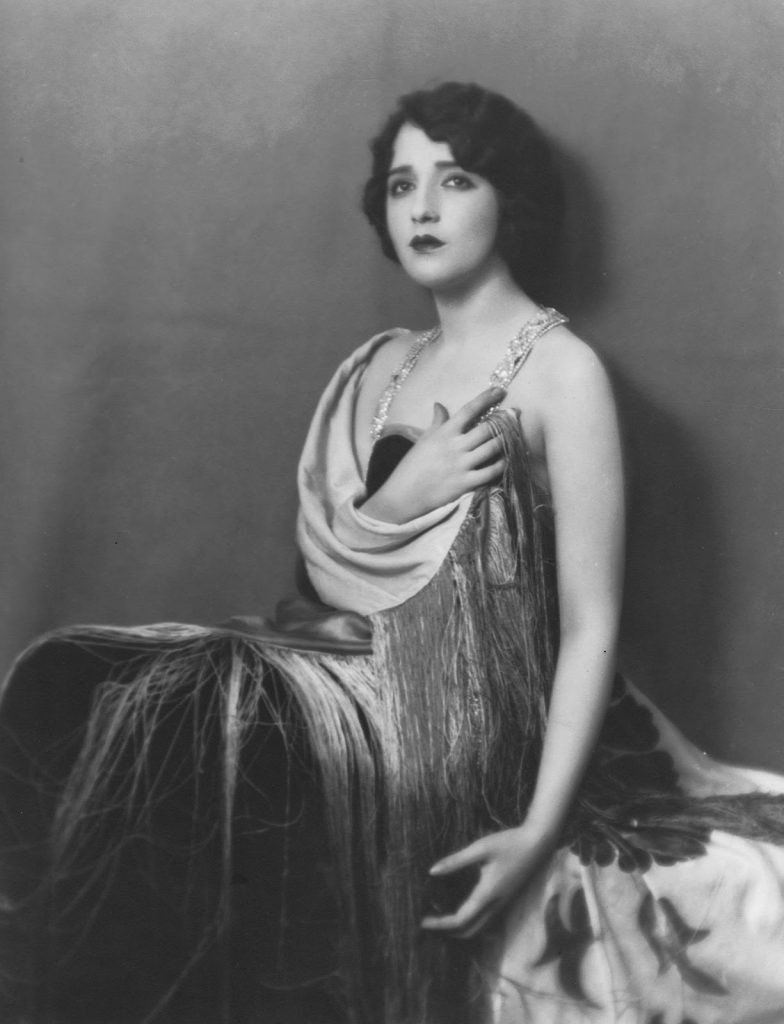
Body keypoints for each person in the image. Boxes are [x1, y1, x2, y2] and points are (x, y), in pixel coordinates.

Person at [3, 80, 784, 1024]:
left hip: (461, 709)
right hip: (330, 657)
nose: (422, 207)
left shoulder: (562, 372)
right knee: (75, 682)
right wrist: (405, 494)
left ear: (509, 199)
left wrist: (538, 830)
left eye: (454, 180)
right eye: (402, 184)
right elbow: (322, 578)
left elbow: (591, 627)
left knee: (203, 732)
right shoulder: (378, 365)